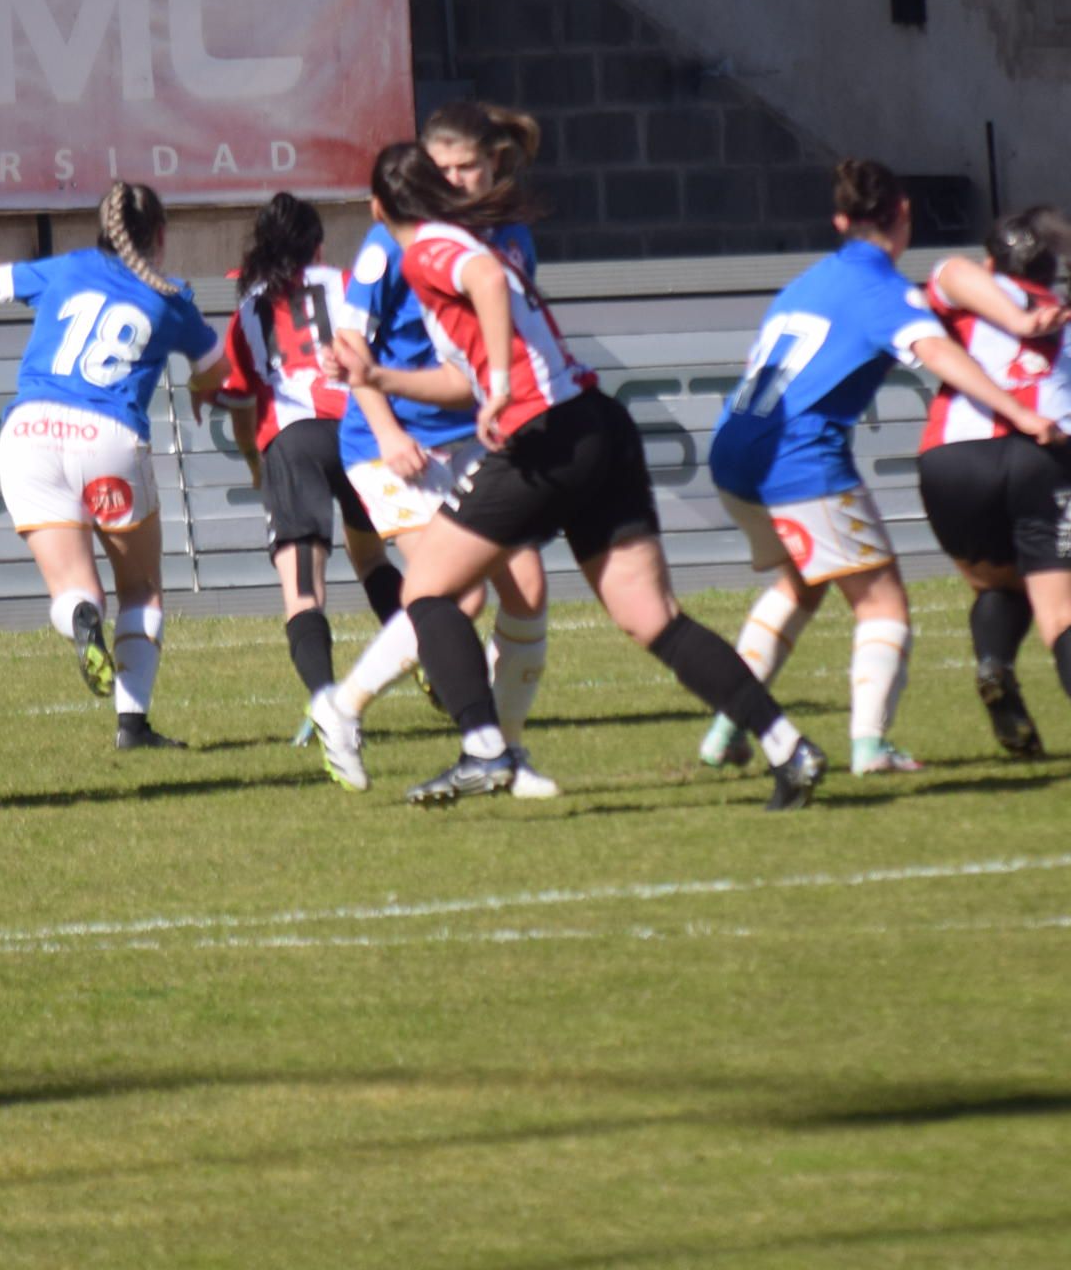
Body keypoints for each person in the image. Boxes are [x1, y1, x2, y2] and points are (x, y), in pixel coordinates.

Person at [317, 143, 829, 811]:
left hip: (545, 435)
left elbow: (485, 284)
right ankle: (789, 747)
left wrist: (499, 385)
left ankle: (483, 749)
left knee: (427, 591)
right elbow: (456, 377)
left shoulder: (427, 249)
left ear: (380, 208)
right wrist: (378, 378)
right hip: (596, 425)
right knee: (650, 617)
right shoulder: (468, 244)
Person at [698, 160, 1071, 779]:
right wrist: (1021, 414)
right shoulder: (884, 292)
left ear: (840, 221)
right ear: (904, 213)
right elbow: (939, 354)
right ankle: (870, 748)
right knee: (883, 605)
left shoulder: (807, 283)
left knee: (802, 582)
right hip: (797, 458)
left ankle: (726, 729)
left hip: (733, 449)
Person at [0, 182, 219, 750]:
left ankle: (81, 619)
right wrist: (203, 389)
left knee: (77, 591)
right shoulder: (170, 297)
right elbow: (215, 366)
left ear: (100, 231)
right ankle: (133, 725)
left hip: (29, 432)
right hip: (107, 439)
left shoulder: (68, 268)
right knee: (141, 589)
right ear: (160, 236)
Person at [315, 106, 558, 795]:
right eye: (440, 170)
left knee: (529, 589)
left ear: (493, 165)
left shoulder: (507, 237)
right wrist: (389, 432)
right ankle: (343, 708)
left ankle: (506, 754)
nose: (453, 181)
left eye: (466, 168)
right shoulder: (390, 241)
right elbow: (348, 350)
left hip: (468, 434)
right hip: (388, 443)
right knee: (456, 593)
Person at [912, 205, 1071, 770]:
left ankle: (995, 665)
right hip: (1048, 455)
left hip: (953, 458)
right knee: (1068, 614)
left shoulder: (963, 289)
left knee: (999, 582)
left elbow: (949, 274)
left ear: (994, 259)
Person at [197, 193, 392, 776]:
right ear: (318, 244)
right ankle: (432, 658)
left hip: (293, 438)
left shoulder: (249, 304)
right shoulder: (349, 280)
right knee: (373, 556)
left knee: (302, 591)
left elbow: (236, 394)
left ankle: (328, 707)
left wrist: (258, 466)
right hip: (359, 428)